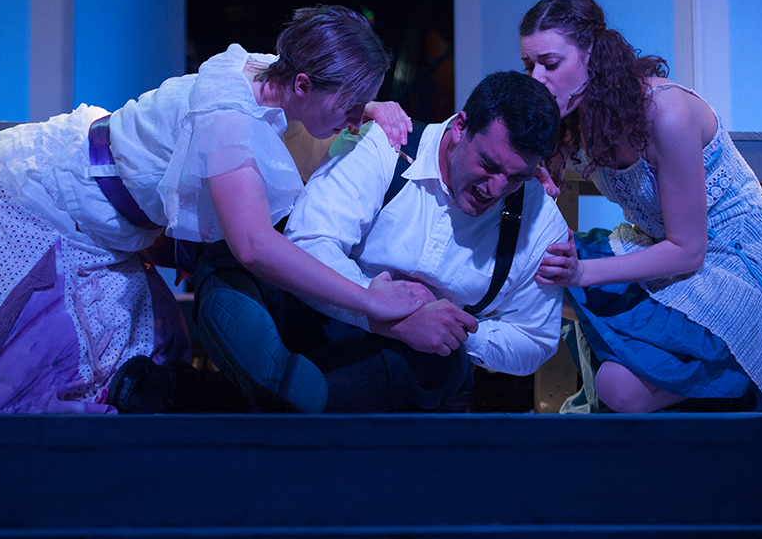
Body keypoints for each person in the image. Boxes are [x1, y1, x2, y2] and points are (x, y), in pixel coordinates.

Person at [0, 5, 423, 414]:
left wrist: (370, 109)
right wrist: (370, 301)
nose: (353, 118)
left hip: (109, 230)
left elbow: (314, 84)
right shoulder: (229, 119)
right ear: (303, 85)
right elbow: (254, 246)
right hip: (45, 206)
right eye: (351, 103)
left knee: (125, 370)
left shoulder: (265, 72)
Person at [114, 71, 568, 413]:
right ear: (460, 126)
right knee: (228, 262)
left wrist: (457, 330)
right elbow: (310, 241)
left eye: (517, 177)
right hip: (316, 313)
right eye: (489, 164)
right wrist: (388, 314)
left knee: (439, 367)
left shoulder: (539, 221)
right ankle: (278, 397)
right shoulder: (387, 146)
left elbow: (536, 339)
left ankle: (202, 398)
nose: (496, 187)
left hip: (397, 360)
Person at [519, 0, 762, 413]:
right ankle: (728, 378)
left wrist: (583, 272)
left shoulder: (666, 113)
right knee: (542, 279)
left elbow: (689, 250)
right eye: (529, 65)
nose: (537, 78)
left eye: (550, 63)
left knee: (615, 383)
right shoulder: (578, 115)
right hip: (661, 252)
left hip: (728, 265)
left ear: (591, 54)